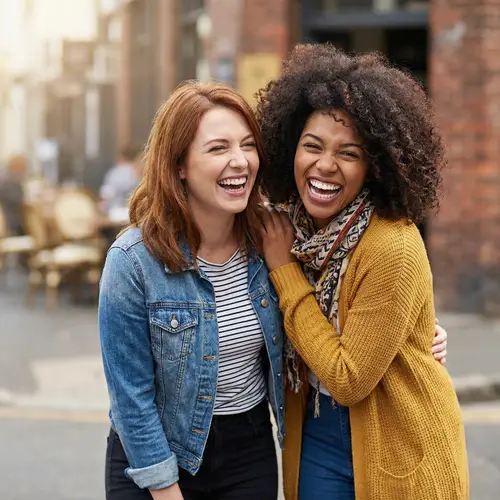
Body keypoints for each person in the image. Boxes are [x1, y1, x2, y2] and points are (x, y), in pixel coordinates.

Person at [257, 44, 468, 500]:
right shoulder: (284, 226)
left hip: (400, 443)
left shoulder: (392, 245)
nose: (325, 165)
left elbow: (349, 377)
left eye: (348, 153)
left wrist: (284, 270)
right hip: (315, 429)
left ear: (375, 166)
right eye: (312, 146)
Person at [98, 81, 284, 500]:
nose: (240, 161)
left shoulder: (274, 240)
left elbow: (339, 293)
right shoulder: (132, 261)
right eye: (218, 148)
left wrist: (419, 331)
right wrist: (166, 490)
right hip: (155, 453)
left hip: (247, 449)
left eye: (248, 145)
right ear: (179, 164)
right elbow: (131, 398)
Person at [100, 146, 141, 214]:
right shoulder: (135, 170)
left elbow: (106, 195)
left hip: (116, 212)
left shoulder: (116, 172)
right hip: (134, 213)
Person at [0, 154, 27, 235]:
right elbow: (19, 200)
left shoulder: (14, 182)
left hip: (14, 224)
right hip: (11, 224)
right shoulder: (9, 183)